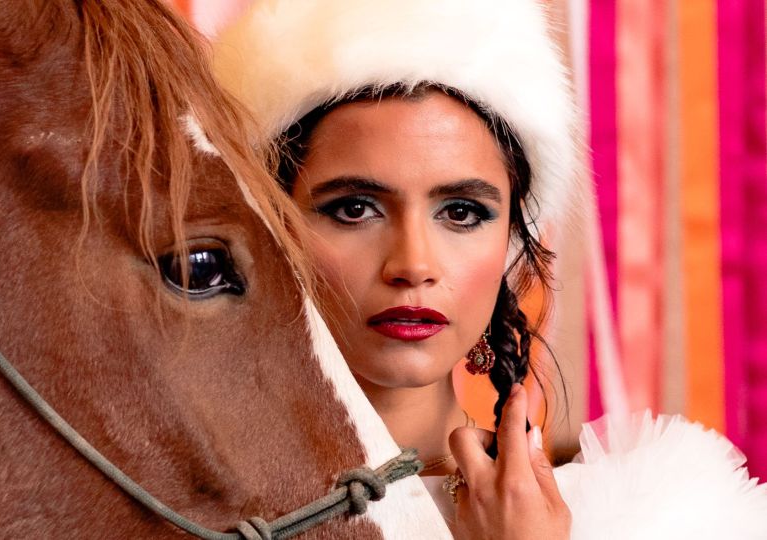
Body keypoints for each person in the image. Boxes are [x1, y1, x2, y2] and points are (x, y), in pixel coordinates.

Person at [212, 0, 767, 538]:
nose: (413, 265)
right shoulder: (175, 514)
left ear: (511, 243)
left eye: (460, 212)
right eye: (355, 208)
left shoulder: (653, 517)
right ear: (269, 228)